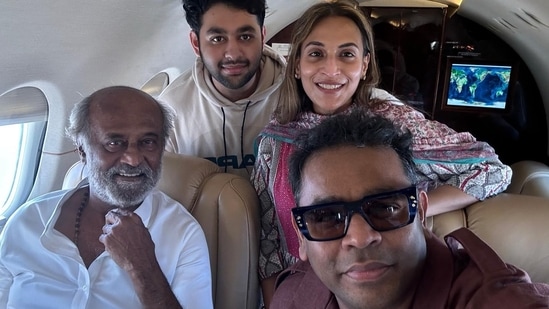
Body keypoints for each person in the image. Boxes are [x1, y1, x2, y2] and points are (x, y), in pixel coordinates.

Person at [250, 1, 512, 306]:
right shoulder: (275, 140)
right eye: (316, 54)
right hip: (306, 292)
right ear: (297, 64)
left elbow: (491, 168)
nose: (331, 69)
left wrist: (409, 209)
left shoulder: (392, 124)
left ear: (364, 65)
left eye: (346, 54)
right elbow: (270, 244)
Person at [270, 110, 549, 309]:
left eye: (387, 207)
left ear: (422, 212)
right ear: (302, 237)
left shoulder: (489, 297)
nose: (360, 237)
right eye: (326, 217)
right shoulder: (291, 295)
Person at [0, 86, 213, 308]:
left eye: (148, 142)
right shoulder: (27, 221)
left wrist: (142, 267)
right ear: (81, 149)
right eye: (114, 143)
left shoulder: (182, 233)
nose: (133, 159)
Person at [159, 0, 286, 178]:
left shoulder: (297, 92)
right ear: (196, 43)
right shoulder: (171, 107)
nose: (233, 54)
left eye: (245, 37)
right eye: (217, 39)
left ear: (263, 36)